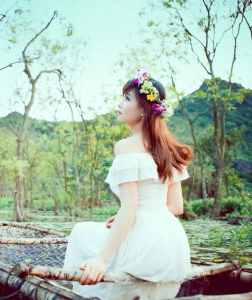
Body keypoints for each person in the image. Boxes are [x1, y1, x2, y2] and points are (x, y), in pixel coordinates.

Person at [63, 69, 193, 300]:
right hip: (171, 243)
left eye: (127, 98)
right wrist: (127, 215)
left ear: (144, 109)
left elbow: (131, 208)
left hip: (143, 239)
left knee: (80, 231)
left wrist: (101, 259)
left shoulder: (127, 146)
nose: (119, 104)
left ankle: (86, 291)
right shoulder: (171, 149)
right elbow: (176, 207)